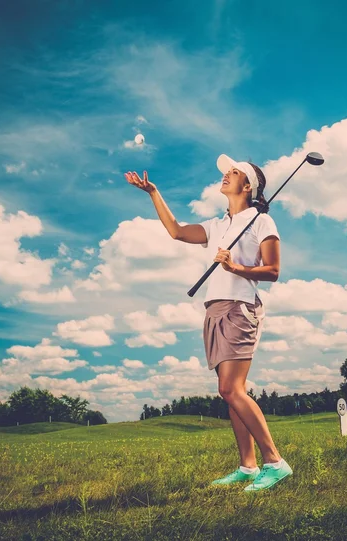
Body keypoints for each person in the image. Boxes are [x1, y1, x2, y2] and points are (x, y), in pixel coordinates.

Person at [124, 154, 293, 492]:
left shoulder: (260, 222)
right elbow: (176, 231)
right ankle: (247, 466)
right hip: (214, 311)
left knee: (230, 389)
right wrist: (153, 193)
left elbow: (273, 271)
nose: (226, 176)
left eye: (233, 172)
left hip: (240, 308)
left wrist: (235, 268)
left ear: (248, 186)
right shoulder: (217, 226)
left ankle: (275, 463)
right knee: (232, 394)